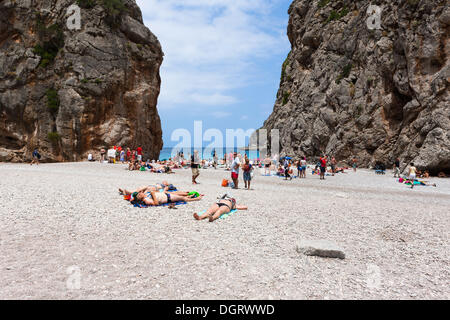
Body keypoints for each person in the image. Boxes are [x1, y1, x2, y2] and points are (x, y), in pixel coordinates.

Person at [131, 190, 203, 207]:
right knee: (182, 198)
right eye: (140, 194)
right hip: (168, 198)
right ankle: (197, 199)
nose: (141, 193)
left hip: (165, 194)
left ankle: (190, 196)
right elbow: (156, 204)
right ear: (140, 198)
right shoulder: (146, 200)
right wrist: (153, 194)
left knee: (182, 196)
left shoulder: (146, 195)